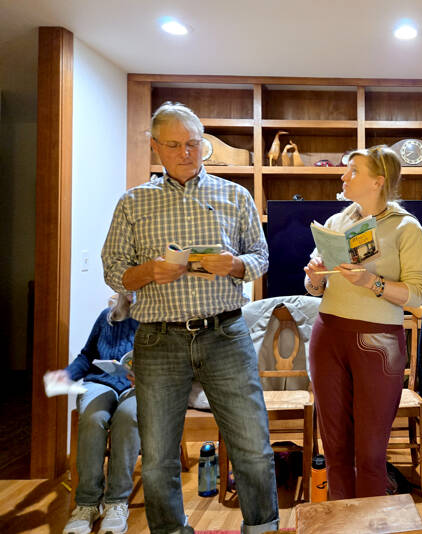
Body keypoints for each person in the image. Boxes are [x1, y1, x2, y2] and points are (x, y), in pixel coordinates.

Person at [101, 102, 278, 534]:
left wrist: (234, 265)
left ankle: (262, 528)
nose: (186, 153)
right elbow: (113, 268)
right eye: (176, 145)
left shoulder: (234, 195)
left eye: (195, 144)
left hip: (225, 332)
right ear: (157, 147)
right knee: (159, 454)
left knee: (253, 445)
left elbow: (261, 256)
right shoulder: (132, 203)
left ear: (205, 146)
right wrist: (148, 272)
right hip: (158, 340)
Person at [303, 145, 422, 499]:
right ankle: (344, 522)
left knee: (371, 454)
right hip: (327, 336)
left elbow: (418, 294)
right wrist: (315, 277)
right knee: (335, 450)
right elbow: (315, 288)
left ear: (378, 181)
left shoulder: (406, 227)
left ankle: (371, 523)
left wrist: (370, 282)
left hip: (378, 343)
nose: (344, 176)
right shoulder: (336, 223)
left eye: (353, 171)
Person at [48, 294, 138, 534]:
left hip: (139, 386)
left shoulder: (159, 320)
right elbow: (87, 355)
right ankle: (87, 504)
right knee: (93, 418)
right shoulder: (106, 318)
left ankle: (117, 502)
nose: (131, 294)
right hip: (101, 382)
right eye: (126, 288)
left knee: (128, 418)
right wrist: (66, 376)